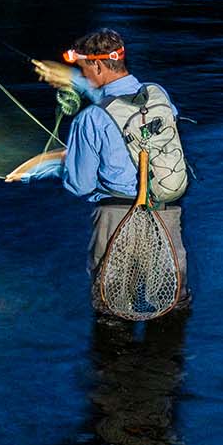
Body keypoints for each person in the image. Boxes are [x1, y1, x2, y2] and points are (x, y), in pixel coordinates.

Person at [28, 29, 191, 314]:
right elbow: (123, 106)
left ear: (98, 67)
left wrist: (57, 163)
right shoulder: (158, 94)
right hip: (166, 213)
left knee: (112, 307)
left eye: (84, 68)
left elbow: (80, 185)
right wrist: (75, 81)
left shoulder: (90, 119)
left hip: (115, 219)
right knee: (172, 302)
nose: (84, 74)